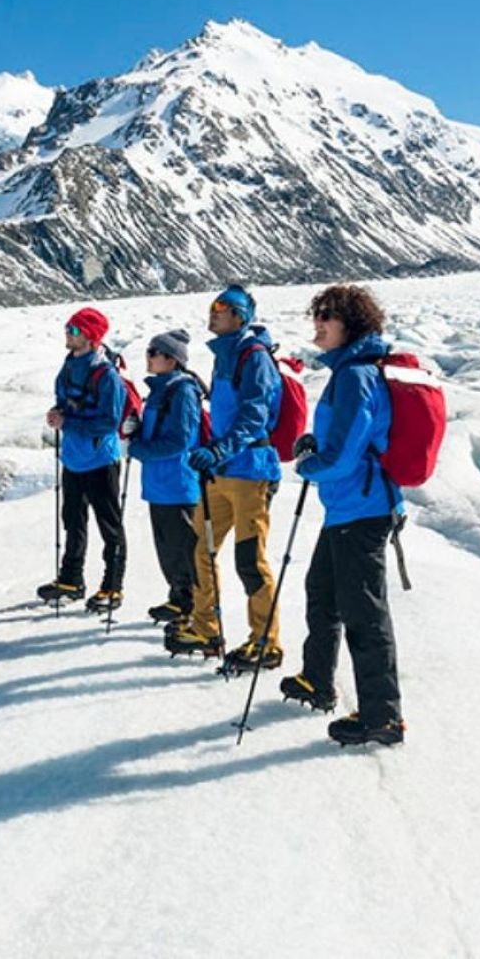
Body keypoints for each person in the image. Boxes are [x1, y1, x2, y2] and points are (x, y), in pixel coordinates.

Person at [282, 283, 406, 747]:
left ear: (350, 325)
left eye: (327, 317)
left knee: (364, 613)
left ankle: (382, 716)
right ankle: (318, 679)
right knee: (323, 592)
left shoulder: (355, 376)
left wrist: (308, 464)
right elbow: (344, 440)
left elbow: (343, 455)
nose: (317, 325)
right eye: (317, 315)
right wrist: (314, 447)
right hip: (349, 507)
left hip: (362, 508)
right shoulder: (349, 372)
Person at [165, 284, 285, 673]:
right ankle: (206, 629)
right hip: (222, 473)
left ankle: (265, 642)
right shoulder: (224, 356)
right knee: (199, 549)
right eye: (213, 305)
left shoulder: (254, 357)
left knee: (249, 559)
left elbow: (254, 416)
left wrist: (219, 451)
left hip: (250, 472)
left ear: (240, 316)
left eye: (222, 307)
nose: (213, 311)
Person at [40, 306, 128, 610]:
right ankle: (71, 578)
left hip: (100, 460)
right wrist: (59, 413)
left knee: (109, 526)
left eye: (74, 329)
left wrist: (67, 422)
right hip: (75, 458)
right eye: (68, 327)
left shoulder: (107, 376)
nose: (68, 333)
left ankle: (112, 586)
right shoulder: (69, 367)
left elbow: (109, 422)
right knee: (73, 520)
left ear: (90, 337)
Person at [127, 329, 203, 625]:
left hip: (177, 483)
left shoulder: (181, 391)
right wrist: (138, 433)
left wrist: (139, 449)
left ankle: (192, 605)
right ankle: (179, 599)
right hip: (161, 484)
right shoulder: (162, 390)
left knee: (182, 549)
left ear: (172, 360)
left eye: (154, 353)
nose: (148, 357)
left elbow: (180, 441)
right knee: (169, 549)